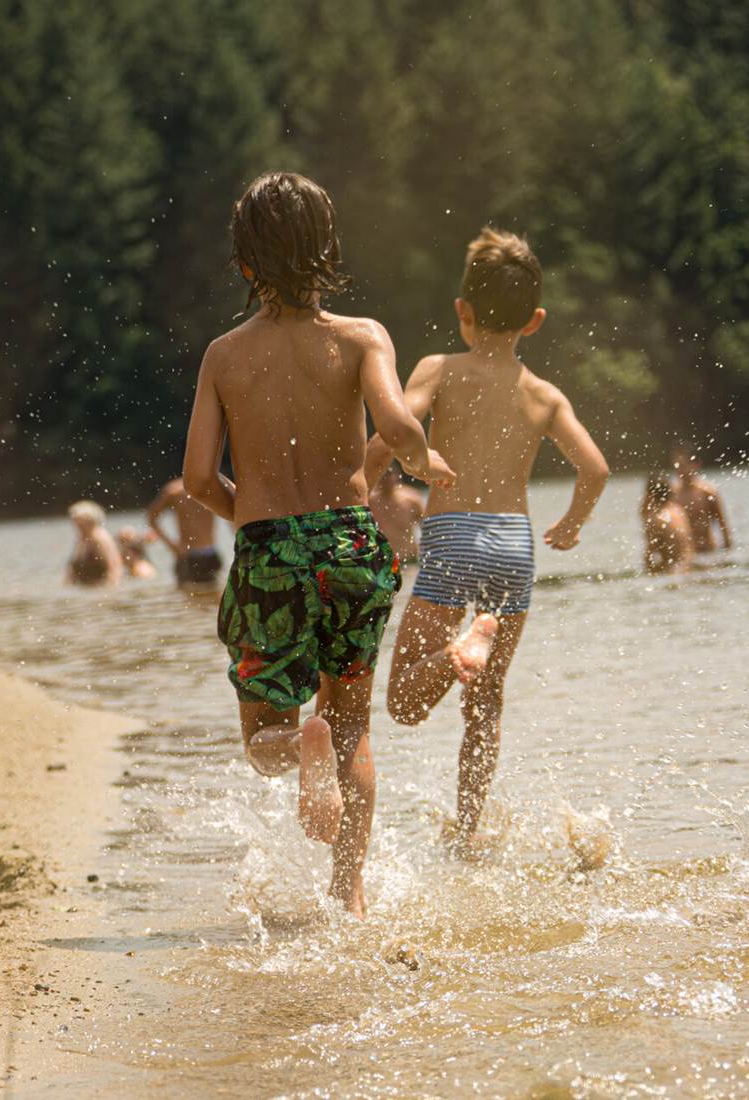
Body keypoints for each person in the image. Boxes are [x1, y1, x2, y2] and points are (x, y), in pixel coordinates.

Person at [181, 171, 454, 917]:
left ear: (244, 266)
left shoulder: (224, 356)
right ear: (328, 250)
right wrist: (422, 460)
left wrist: (254, 519)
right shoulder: (364, 338)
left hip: (270, 544)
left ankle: (300, 749)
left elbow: (198, 478)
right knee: (354, 729)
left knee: (266, 736)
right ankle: (350, 892)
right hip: (351, 545)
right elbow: (396, 428)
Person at [365, 226, 609, 860]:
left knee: (404, 704)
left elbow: (396, 429)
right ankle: (469, 831)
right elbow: (596, 469)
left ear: (462, 313)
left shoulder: (439, 369)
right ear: (535, 321)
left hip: (451, 539)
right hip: (514, 547)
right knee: (486, 707)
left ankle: (454, 655)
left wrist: (359, 482)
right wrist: (573, 524)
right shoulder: (545, 395)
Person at [145, 478, 223, 589]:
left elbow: (234, 512)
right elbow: (151, 517)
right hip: (187, 555)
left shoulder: (212, 487)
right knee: (187, 598)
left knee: (215, 599)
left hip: (211, 554)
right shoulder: (174, 491)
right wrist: (171, 545)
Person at [670, 446, 732, 553]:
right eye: (677, 466)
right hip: (685, 554)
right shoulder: (672, 496)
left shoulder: (708, 493)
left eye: (683, 466)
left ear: (696, 465)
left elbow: (723, 526)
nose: (680, 470)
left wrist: (728, 552)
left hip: (708, 552)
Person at [367, 465, 426, 564]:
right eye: (382, 475)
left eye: (388, 475)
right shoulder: (370, 502)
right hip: (381, 563)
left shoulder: (411, 499)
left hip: (408, 561)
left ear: (396, 476)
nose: (385, 479)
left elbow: (426, 528)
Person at [642, 472, 695, 574]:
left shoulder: (656, 519)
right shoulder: (678, 510)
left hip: (674, 572)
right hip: (689, 567)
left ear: (649, 495)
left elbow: (650, 556)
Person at [65, 501, 123, 587]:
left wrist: (110, 591)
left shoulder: (101, 538)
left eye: (80, 522)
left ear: (91, 521)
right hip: (87, 589)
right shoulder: (81, 539)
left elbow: (115, 568)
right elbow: (72, 570)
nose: (76, 526)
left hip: (101, 589)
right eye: (74, 522)